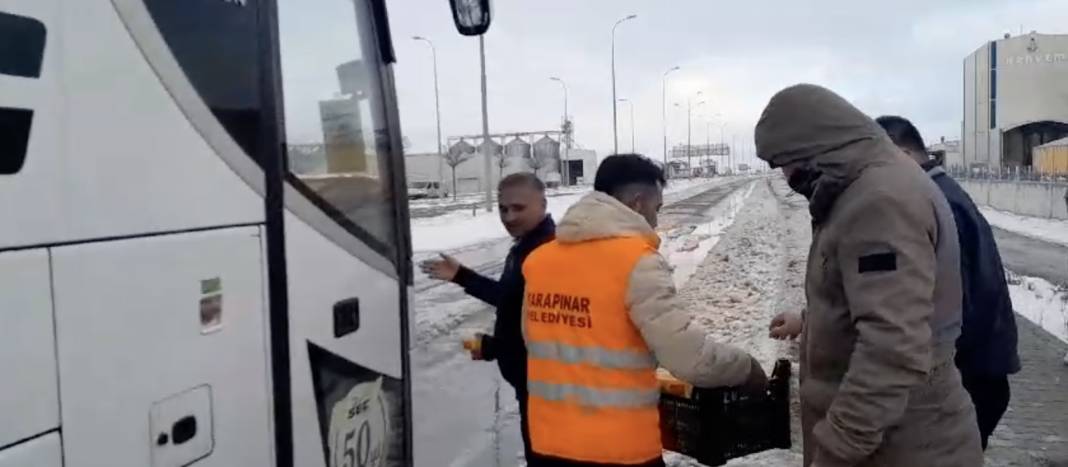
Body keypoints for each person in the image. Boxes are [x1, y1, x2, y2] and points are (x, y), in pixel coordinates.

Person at [755, 84, 982, 467]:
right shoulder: (867, 188)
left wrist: (837, 448)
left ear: (816, 147)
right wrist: (811, 323)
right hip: (892, 437)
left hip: (899, 444)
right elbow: (876, 302)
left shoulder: (879, 201)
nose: (788, 176)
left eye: (787, 163)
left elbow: (891, 347)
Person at [521, 154, 766, 467]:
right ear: (637, 203)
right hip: (619, 450)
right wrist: (746, 369)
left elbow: (538, 341)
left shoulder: (541, 261)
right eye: (657, 209)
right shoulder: (637, 262)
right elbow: (691, 360)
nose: (656, 221)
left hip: (548, 446)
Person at [876, 115, 1021, 449]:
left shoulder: (934, 203)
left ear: (900, 154)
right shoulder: (940, 191)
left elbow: (954, 304)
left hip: (969, 379)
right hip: (978, 373)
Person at [419, 172, 555, 459]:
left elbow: (541, 323)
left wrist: (500, 347)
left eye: (518, 208)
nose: (508, 217)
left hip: (543, 386)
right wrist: (460, 276)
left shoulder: (545, 252)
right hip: (530, 380)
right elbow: (515, 303)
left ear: (543, 204)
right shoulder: (526, 246)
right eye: (503, 208)